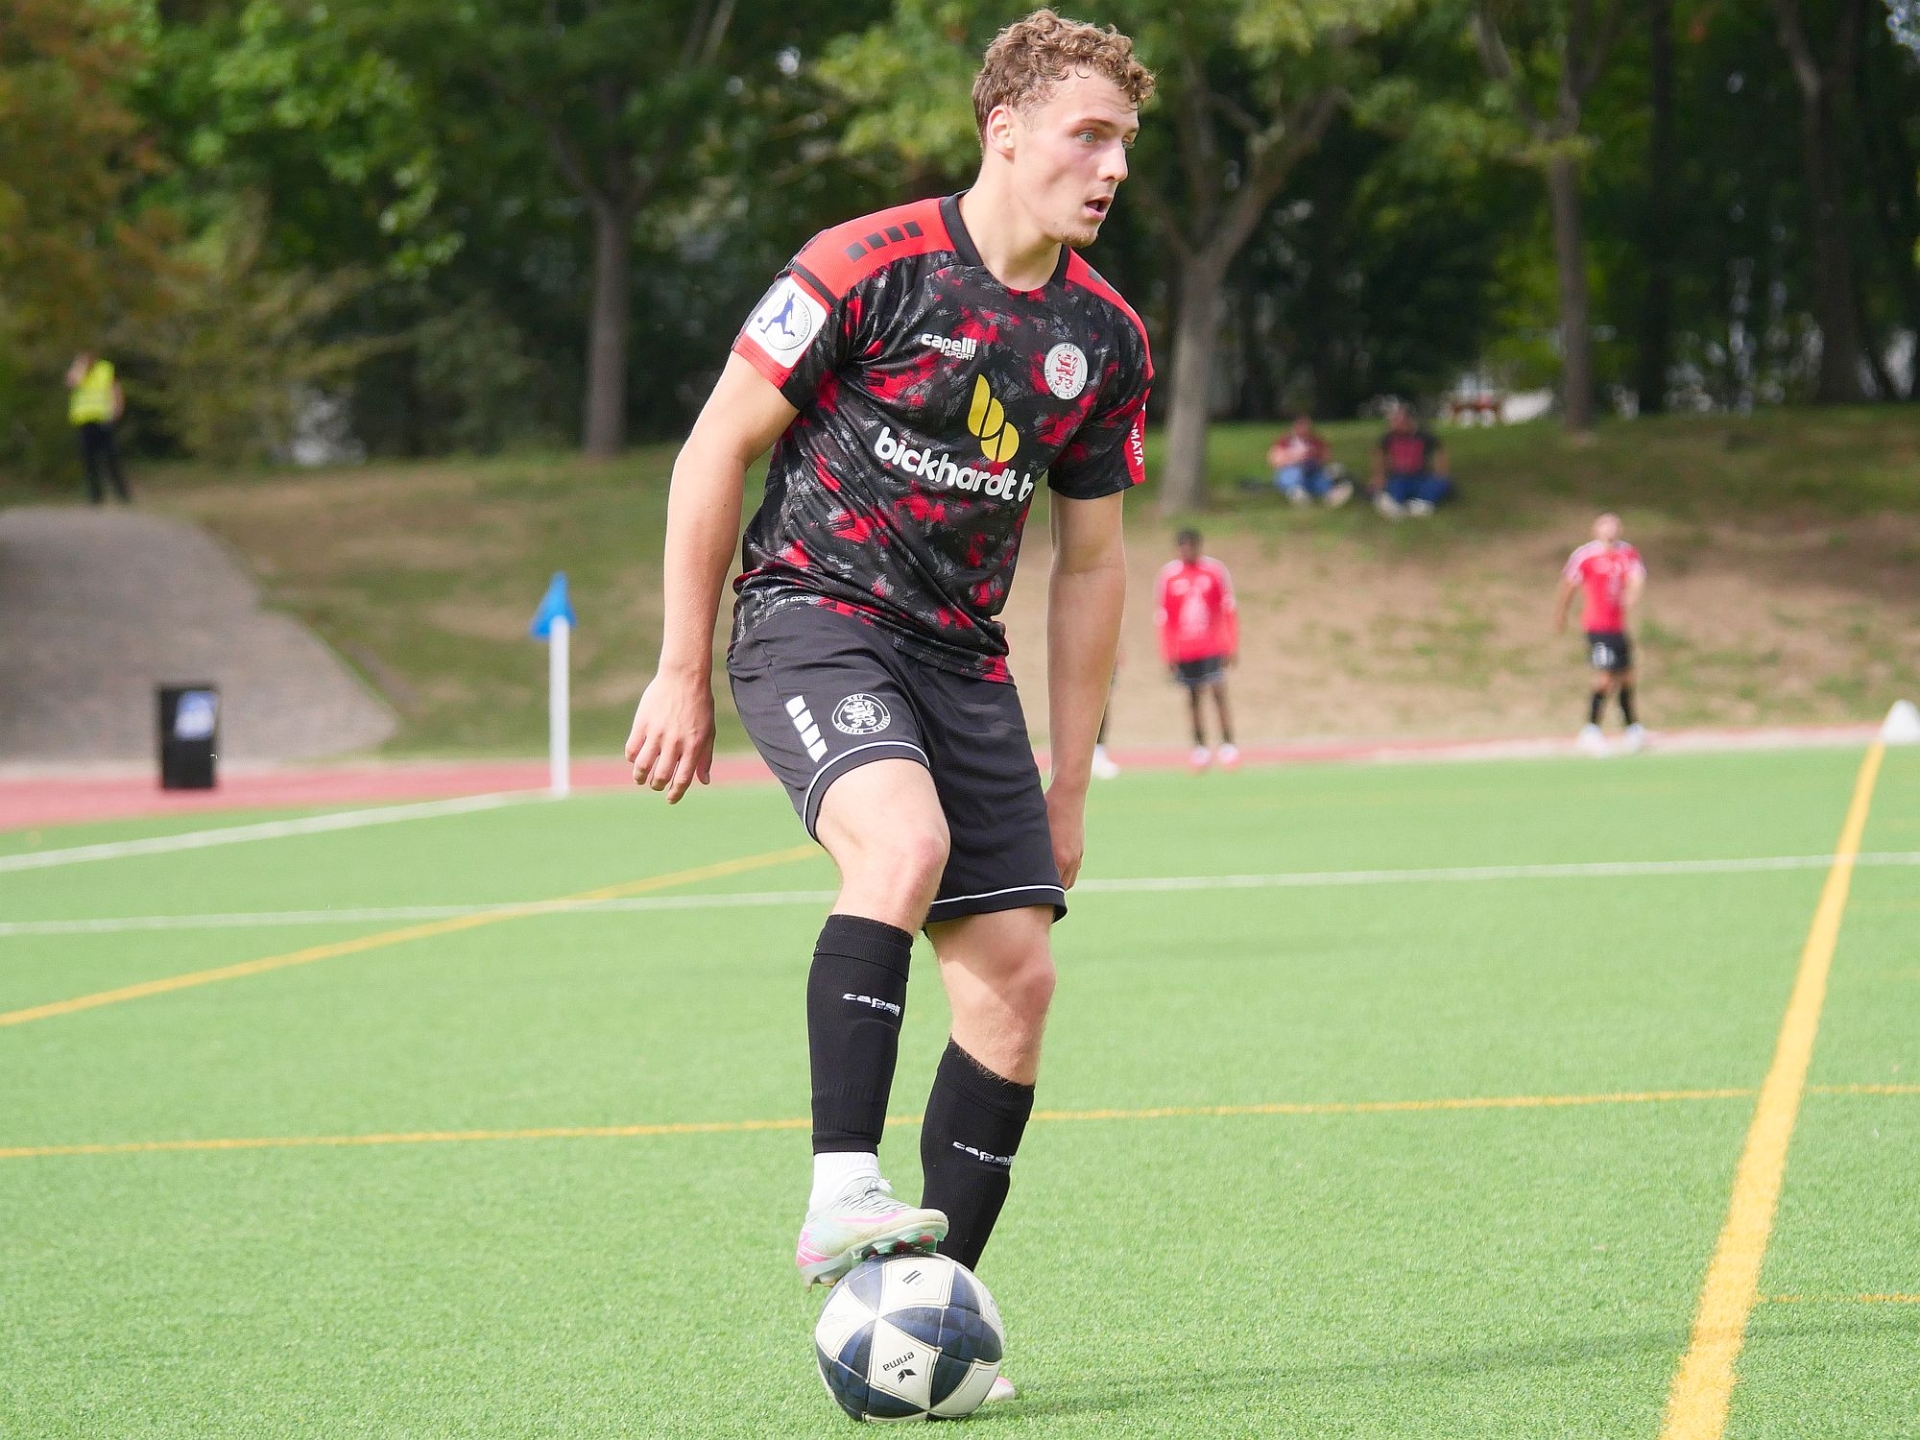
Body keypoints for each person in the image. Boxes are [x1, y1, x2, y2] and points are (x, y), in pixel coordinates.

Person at [621, 6, 1154, 1380]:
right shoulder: (865, 265)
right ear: (1006, 130)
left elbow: (1094, 565)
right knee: (901, 845)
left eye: (1125, 145)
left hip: (962, 661)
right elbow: (714, 447)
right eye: (1089, 136)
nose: (1112, 167)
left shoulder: (1103, 339)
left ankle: (919, 1318)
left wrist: (1071, 781)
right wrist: (680, 666)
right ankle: (840, 1185)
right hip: (816, 617)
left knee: (1018, 980)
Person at [1555, 512, 1647, 754]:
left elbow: (1637, 577)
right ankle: (1591, 730)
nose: (1610, 530)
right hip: (1597, 626)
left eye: (1614, 525)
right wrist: (1561, 613)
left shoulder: (1627, 553)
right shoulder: (1585, 555)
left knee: (1627, 677)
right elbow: (1569, 584)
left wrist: (1632, 595)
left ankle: (1633, 729)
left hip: (1618, 627)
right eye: (1605, 526)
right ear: (1595, 530)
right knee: (1605, 678)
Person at [1154, 529, 1239, 769]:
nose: (1187, 550)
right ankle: (1200, 748)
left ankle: (1228, 745)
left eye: (1191, 545)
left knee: (1218, 693)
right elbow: (1164, 618)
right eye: (1182, 546)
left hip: (1212, 645)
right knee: (1192, 698)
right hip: (1186, 649)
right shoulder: (1169, 576)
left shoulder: (1214, 571)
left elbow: (1228, 609)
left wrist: (1230, 643)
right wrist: (1168, 652)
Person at [65, 351, 130, 505]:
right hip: (84, 421)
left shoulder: (105, 369)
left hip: (103, 419)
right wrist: (80, 368)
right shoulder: (78, 370)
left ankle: (123, 495)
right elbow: (71, 383)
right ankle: (95, 497)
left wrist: (117, 409)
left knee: (111, 458)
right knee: (89, 461)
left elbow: (115, 389)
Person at [1371, 402, 1451, 517]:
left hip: (1421, 477)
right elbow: (1379, 453)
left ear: (1408, 421)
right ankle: (1401, 504)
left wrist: (1441, 472)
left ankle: (1417, 505)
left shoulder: (1423, 435)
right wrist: (1379, 476)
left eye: (1397, 421)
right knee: (1394, 489)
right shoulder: (1389, 437)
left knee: (1440, 484)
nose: (1393, 424)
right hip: (1399, 477)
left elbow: (1440, 450)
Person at [1267, 414, 1351, 507]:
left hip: (1311, 470)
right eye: (1301, 426)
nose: (1304, 429)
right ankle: (1297, 493)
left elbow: (1326, 456)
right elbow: (1275, 459)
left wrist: (1314, 458)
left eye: (1306, 426)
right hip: (1291, 470)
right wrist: (1296, 459)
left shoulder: (1315, 441)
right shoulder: (1285, 441)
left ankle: (1330, 494)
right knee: (1293, 475)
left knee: (1320, 477)